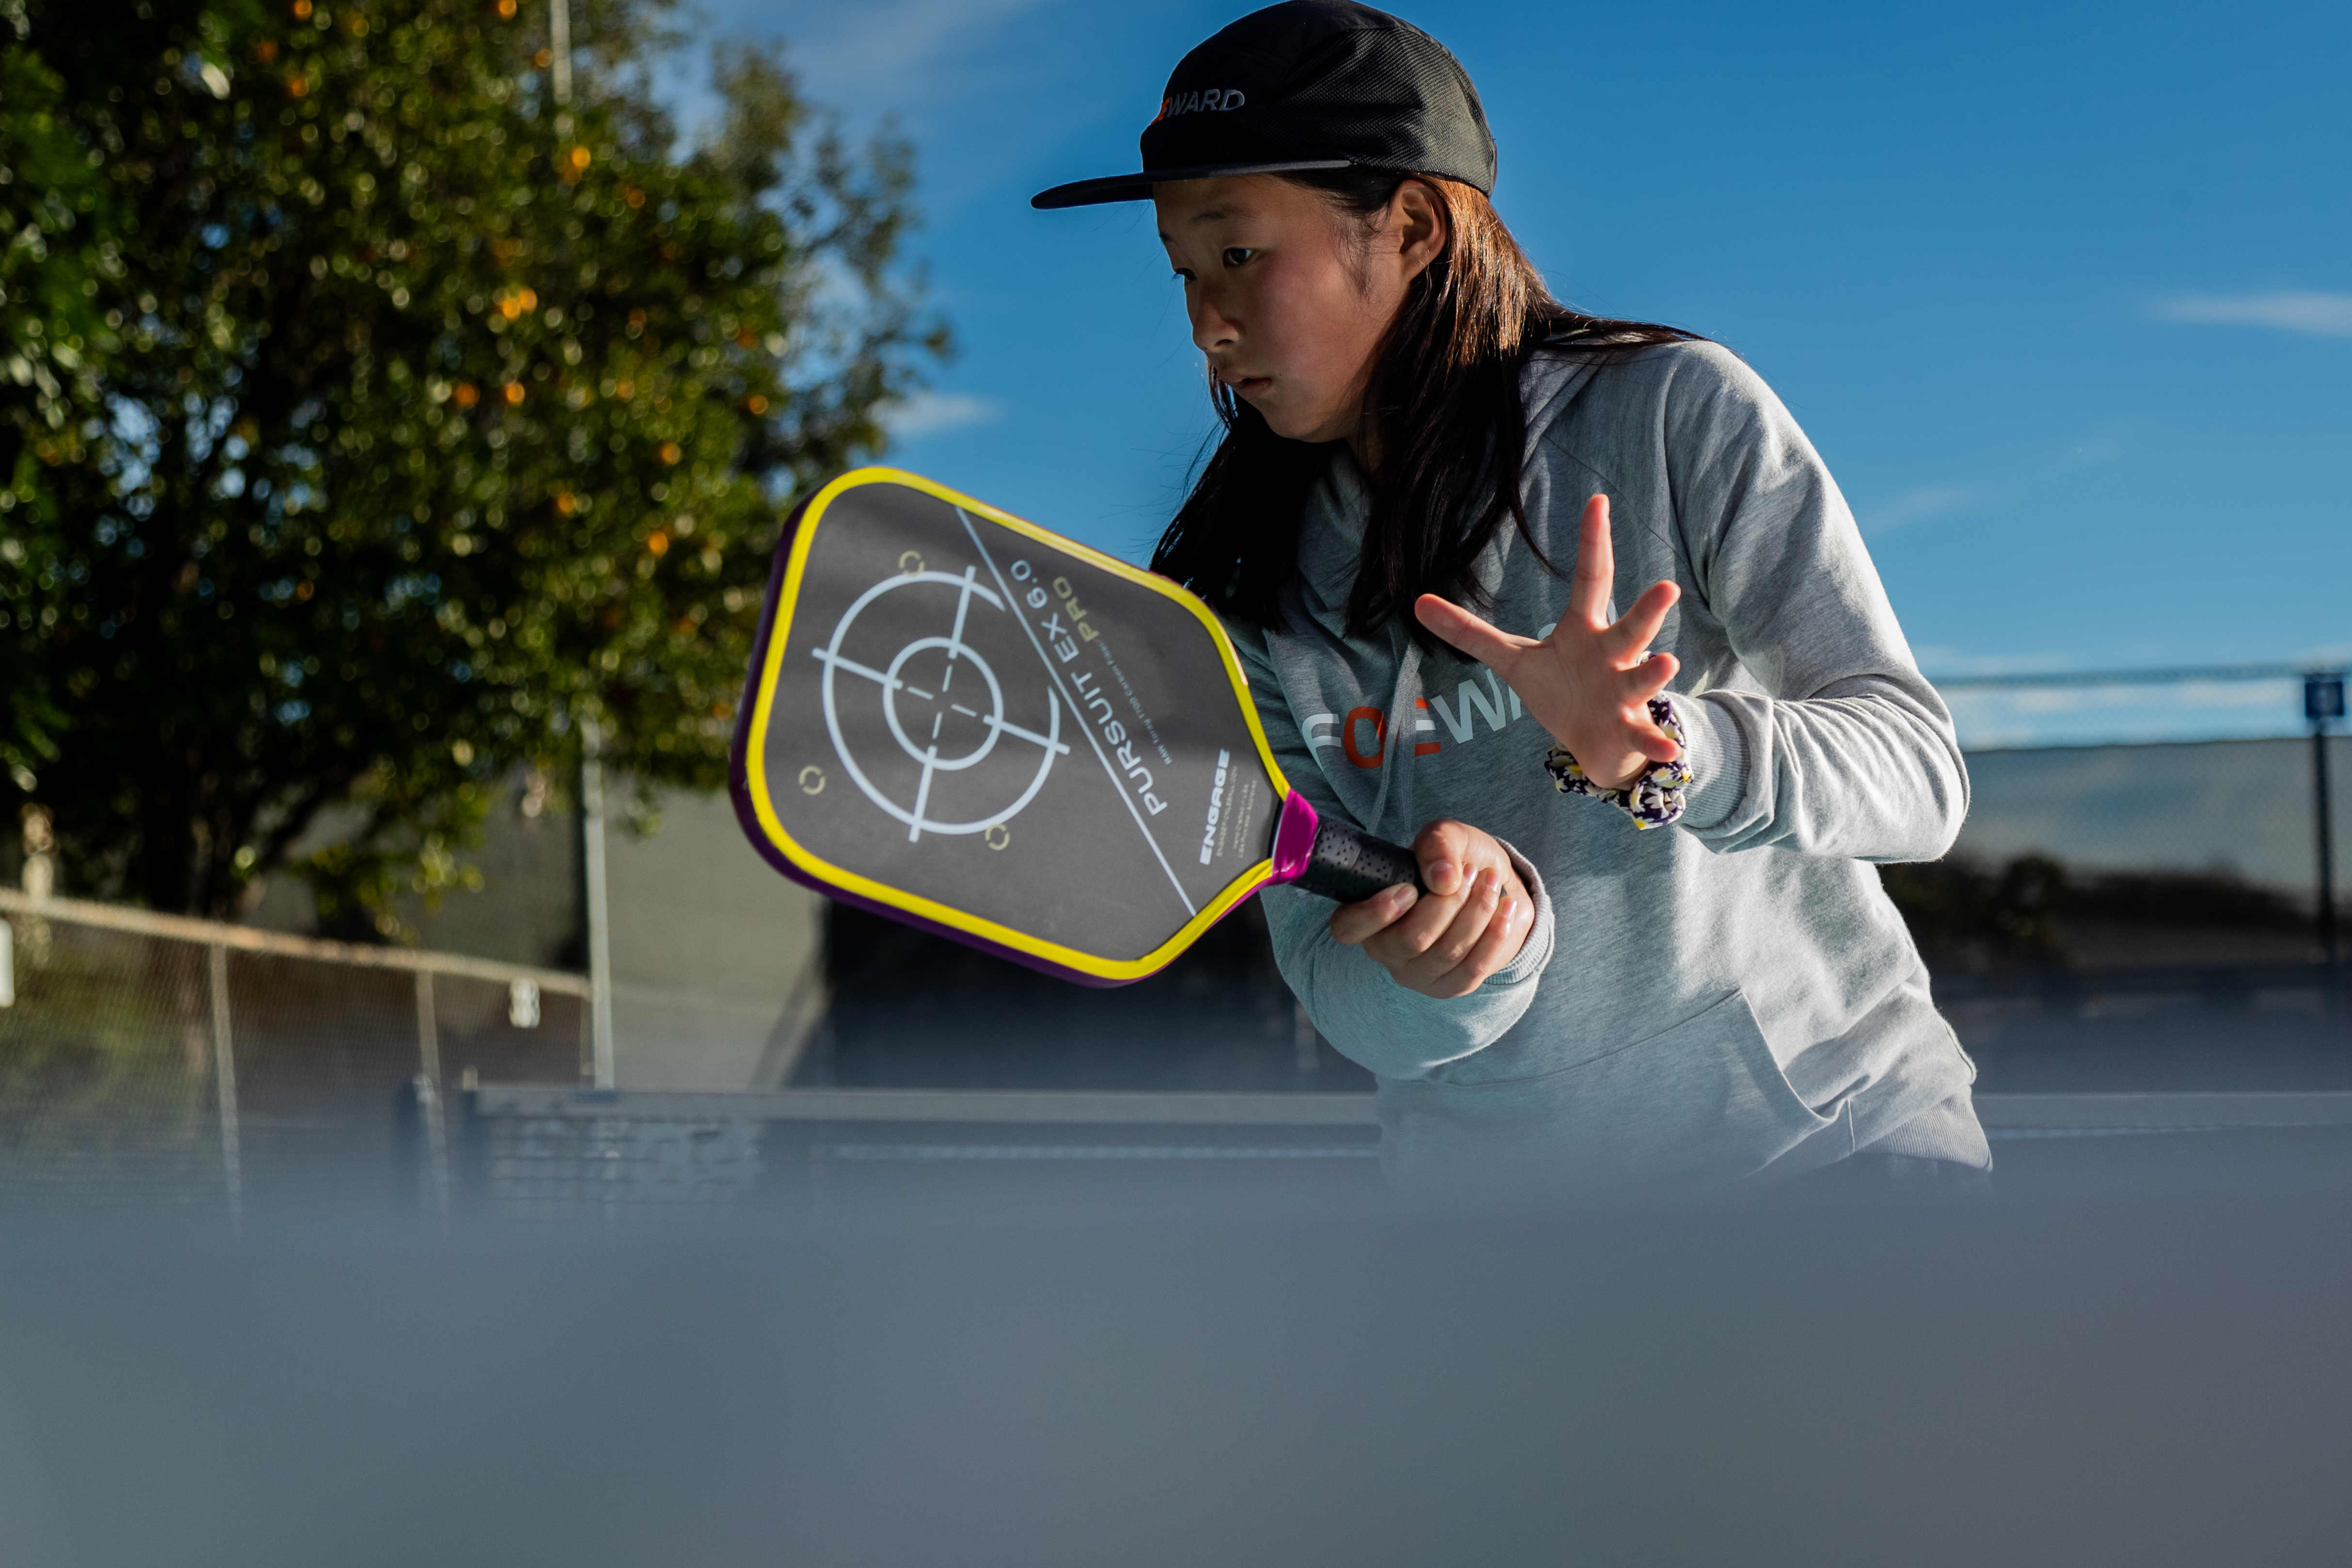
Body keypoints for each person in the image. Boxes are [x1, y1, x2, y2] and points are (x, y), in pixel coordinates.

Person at [1033, 0, 1987, 1192]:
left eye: (1237, 254)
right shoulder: (1240, 579)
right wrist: (1465, 965)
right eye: (1182, 271)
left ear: (1416, 225)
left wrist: (1657, 748)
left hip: (1833, 1160)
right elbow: (1336, 987)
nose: (1205, 325)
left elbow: (1916, 776)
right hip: (1502, 1248)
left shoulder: (1671, 411)